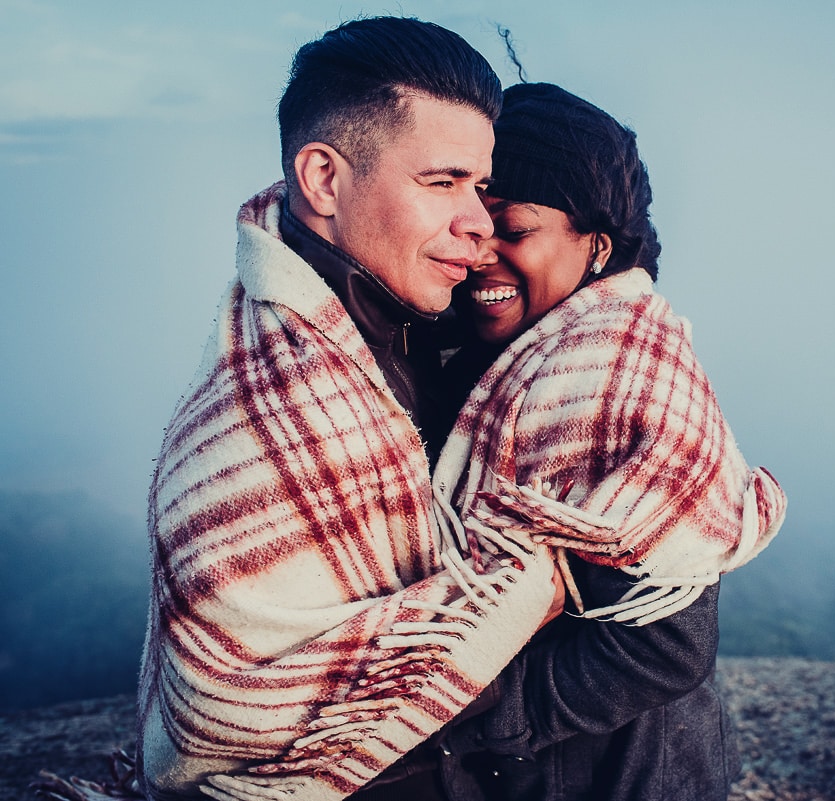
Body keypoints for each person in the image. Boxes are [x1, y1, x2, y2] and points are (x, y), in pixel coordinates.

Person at [132, 18, 559, 801]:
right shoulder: (256, 417)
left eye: (481, 187)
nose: (478, 222)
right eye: (442, 182)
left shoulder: (421, 334)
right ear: (324, 181)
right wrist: (532, 584)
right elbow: (219, 714)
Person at [427, 82, 788, 801]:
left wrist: (481, 716)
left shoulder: (615, 378)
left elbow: (669, 644)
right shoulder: (504, 356)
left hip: (619, 776)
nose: (483, 255)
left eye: (517, 230)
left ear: (595, 243)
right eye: (473, 227)